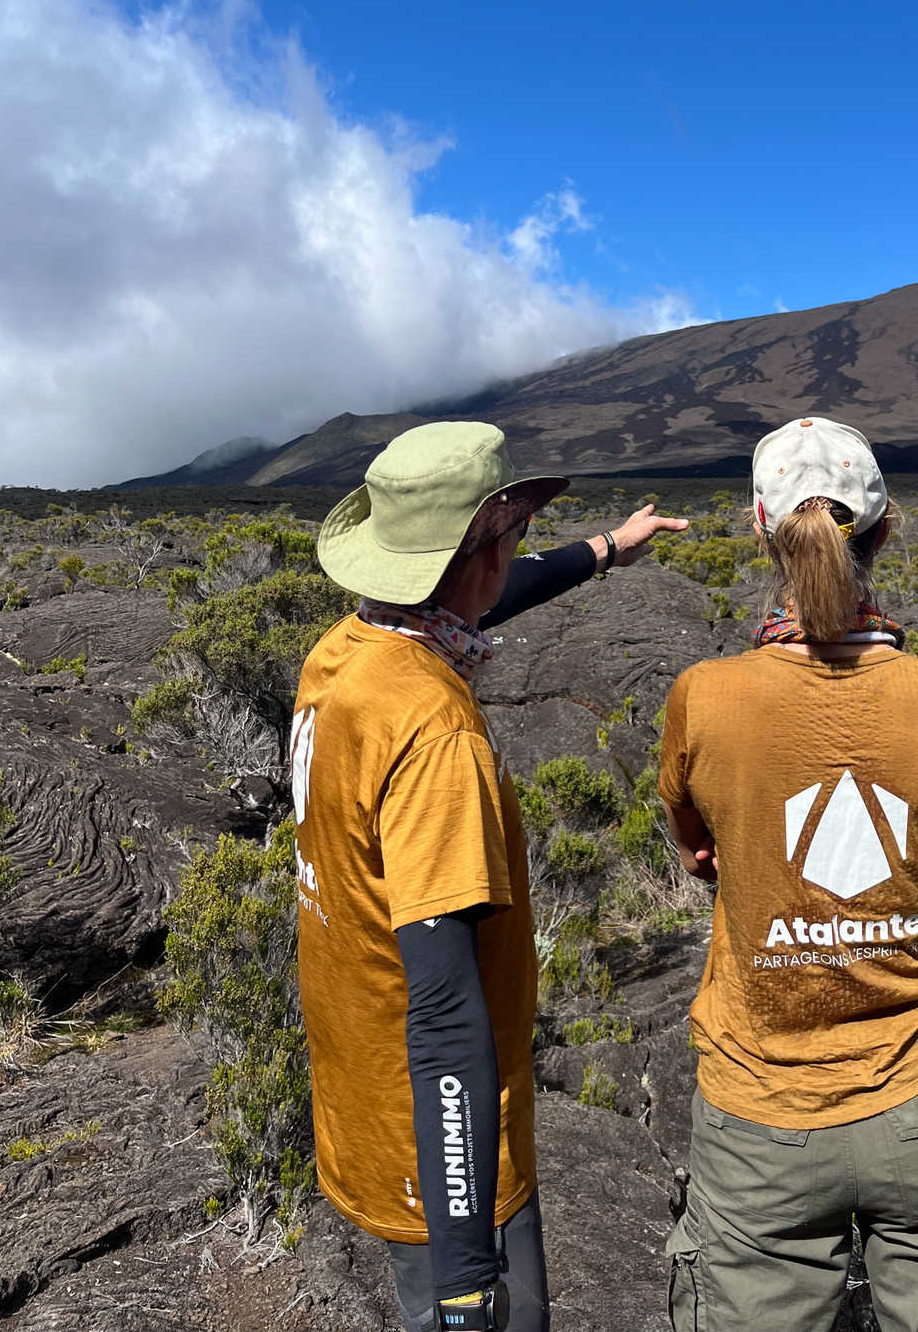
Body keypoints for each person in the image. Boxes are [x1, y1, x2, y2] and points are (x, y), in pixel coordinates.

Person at [292, 421, 687, 1332]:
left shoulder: (345, 653)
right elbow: (443, 1012)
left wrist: (602, 551)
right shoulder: (434, 733)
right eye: (509, 535)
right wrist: (470, 1275)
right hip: (440, 1140)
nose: (515, 553)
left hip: (363, 1086)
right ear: (480, 556)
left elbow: (471, 604)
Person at [658, 416, 918, 1332]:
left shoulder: (706, 698)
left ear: (759, 526)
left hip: (763, 1109)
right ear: (884, 526)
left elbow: (699, 850)